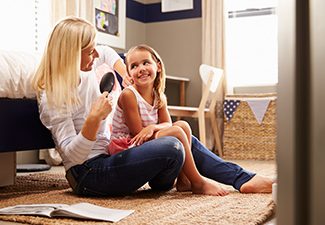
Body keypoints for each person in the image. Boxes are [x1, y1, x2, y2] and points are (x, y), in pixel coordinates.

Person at [32, 16, 273, 197]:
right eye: (88, 51)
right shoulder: (53, 95)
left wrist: (126, 73)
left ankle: (243, 179)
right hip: (87, 176)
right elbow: (72, 158)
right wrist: (92, 122)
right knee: (172, 145)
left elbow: (105, 52)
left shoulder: (86, 69)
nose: (95, 54)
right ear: (70, 54)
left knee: (184, 135)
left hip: (110, 157)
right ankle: (197, 181)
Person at [108, 44, 229, 196]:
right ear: (129, 74)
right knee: (177, 131)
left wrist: (153, 128)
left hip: (144, 137)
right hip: (127, 144)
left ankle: (184, 180)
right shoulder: (128, 95)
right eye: (134, 66)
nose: (141, 68)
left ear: (158, 66)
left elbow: (167, 124)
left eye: (146, 62)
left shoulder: (159, 95)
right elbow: (137, 134)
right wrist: (155, 129)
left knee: (183, 125)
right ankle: (198, 182)